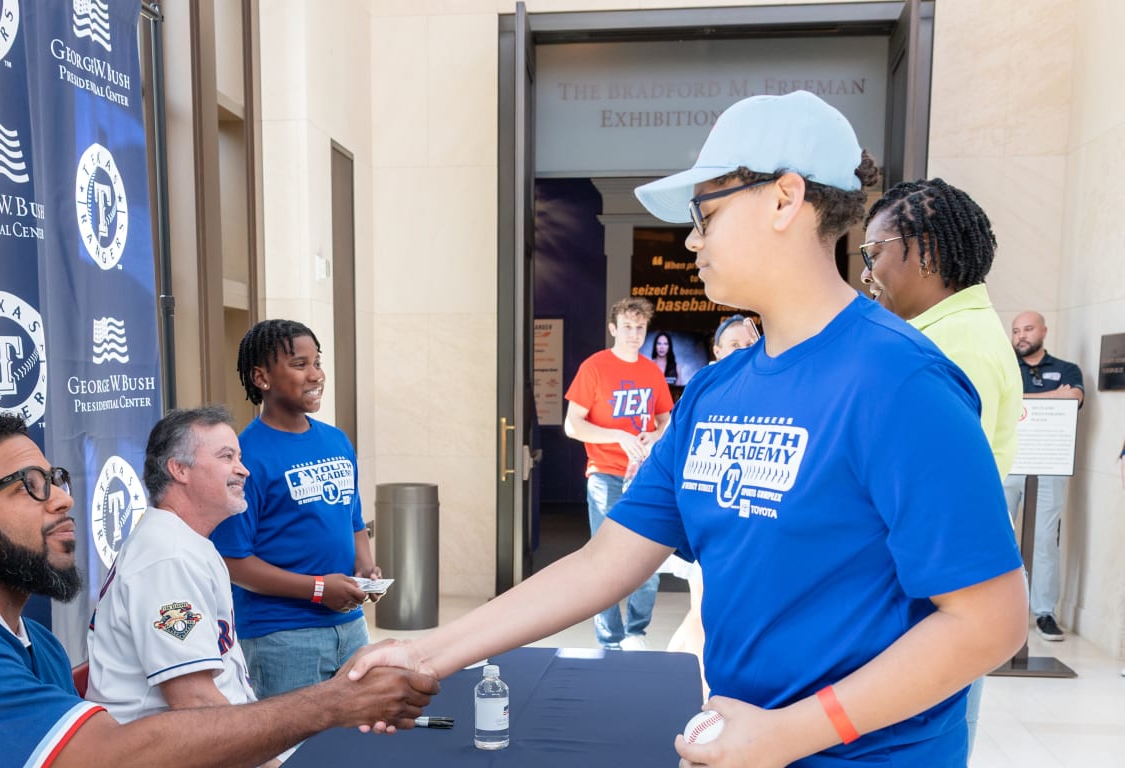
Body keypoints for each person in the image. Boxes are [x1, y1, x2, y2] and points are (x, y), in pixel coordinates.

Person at [351, 91, 1027, 768]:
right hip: (734, 743)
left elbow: (989, 620)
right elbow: (604, 562)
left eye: (706, 214)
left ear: (786, 199)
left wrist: (787, 735)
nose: (692, 239)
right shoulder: (714, 391)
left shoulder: (900, 382)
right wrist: (426, 652)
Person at [0, 413, 436, 768]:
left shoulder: (28, 638)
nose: (63, 498)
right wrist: (334, 702)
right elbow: (113, 756)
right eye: (30, 486)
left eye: (57, 479)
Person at [859, 177, 1021, 761]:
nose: (866, 272)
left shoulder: (955, 346)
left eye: (873, 253)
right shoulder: (938, 334)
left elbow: (936, 495)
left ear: (925, 249)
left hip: (935, 596)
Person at [210, 319, 379, 698]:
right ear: (262, 378)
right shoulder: (243, 456)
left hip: (350, 626)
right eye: (300, 365)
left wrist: (365, 565)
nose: (316, 374)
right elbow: (234, 562)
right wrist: (318, 589)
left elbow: (352, 518)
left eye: (317, 362)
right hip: (281, 638)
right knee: (294, 753)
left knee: (354, 746)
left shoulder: (336, 440)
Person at [84, 407, 260, 730]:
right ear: (179, 469)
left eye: (239, 457)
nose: (243, 470)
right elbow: (195, 701)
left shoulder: (183, 541)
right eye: (227, 457)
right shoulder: (167, 556)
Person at [563, 296, 674, 651]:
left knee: (648, 555)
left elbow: (665, 420)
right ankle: (609, 640)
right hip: (605, 474)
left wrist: (654, 436)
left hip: (645, 475)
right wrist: (619, 435)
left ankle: (636, 632)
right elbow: (572, 425)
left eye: (640, 327)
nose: (634, 333)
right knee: (606, 558)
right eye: (627, 326)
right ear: (613, 329)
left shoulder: (651, 371)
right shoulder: (594, 367)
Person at [665, 314, 760, 663]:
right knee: (704, 612)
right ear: (717, 352)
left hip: (756, 532)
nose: (746, 350)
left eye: (752, 343)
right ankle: (693, 690)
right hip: (713, 528)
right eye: (735, 344)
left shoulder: (776, 394)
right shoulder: (704, 395)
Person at [1003, 310, 1085, 642]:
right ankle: (1004, 610)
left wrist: (1026, 400)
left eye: (1027, 329)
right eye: (1016, 330)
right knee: (1000, 535)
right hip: (1009, 463)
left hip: (1049, 467)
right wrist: (1052, 397)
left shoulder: (1067, 369)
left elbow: (1075, 398)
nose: (1021, 336)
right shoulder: (1005, 368)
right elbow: (1000, 401)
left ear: (1044, 331)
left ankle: (1044, 611)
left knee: (1045, 541)